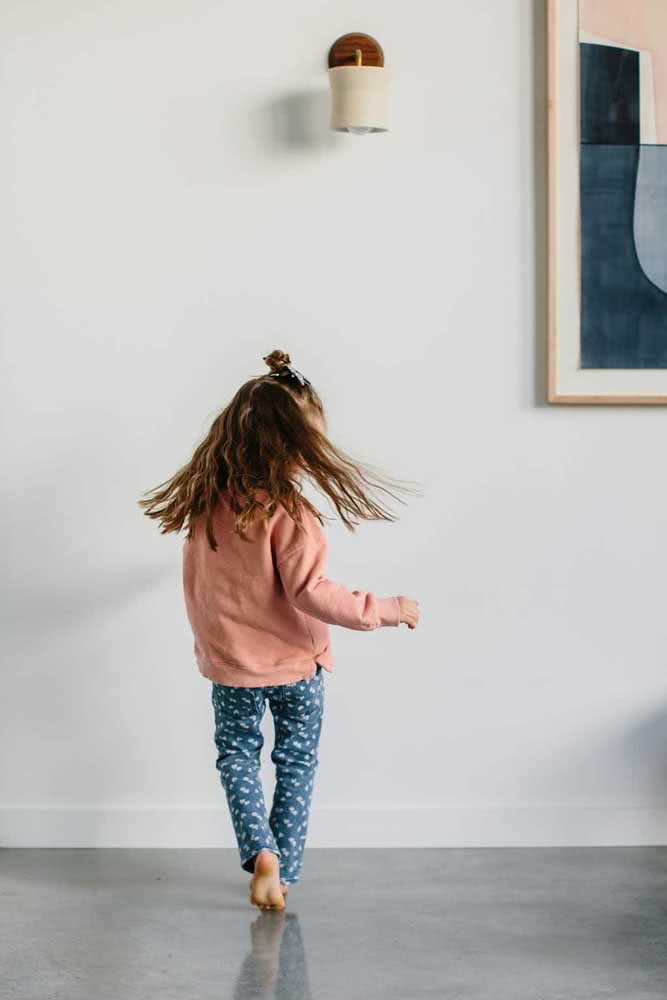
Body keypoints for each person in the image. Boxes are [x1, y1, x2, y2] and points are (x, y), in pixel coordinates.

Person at [139, 350, 420, 910]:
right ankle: (282, 871)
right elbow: (310, 591)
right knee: (295, 763)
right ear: (295, 446)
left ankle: (258, 851)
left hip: (231, 668)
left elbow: (205, 588)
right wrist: (385, 608)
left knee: (237, 758)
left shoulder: (205, 506)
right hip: (297, 666)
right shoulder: (291, 513)